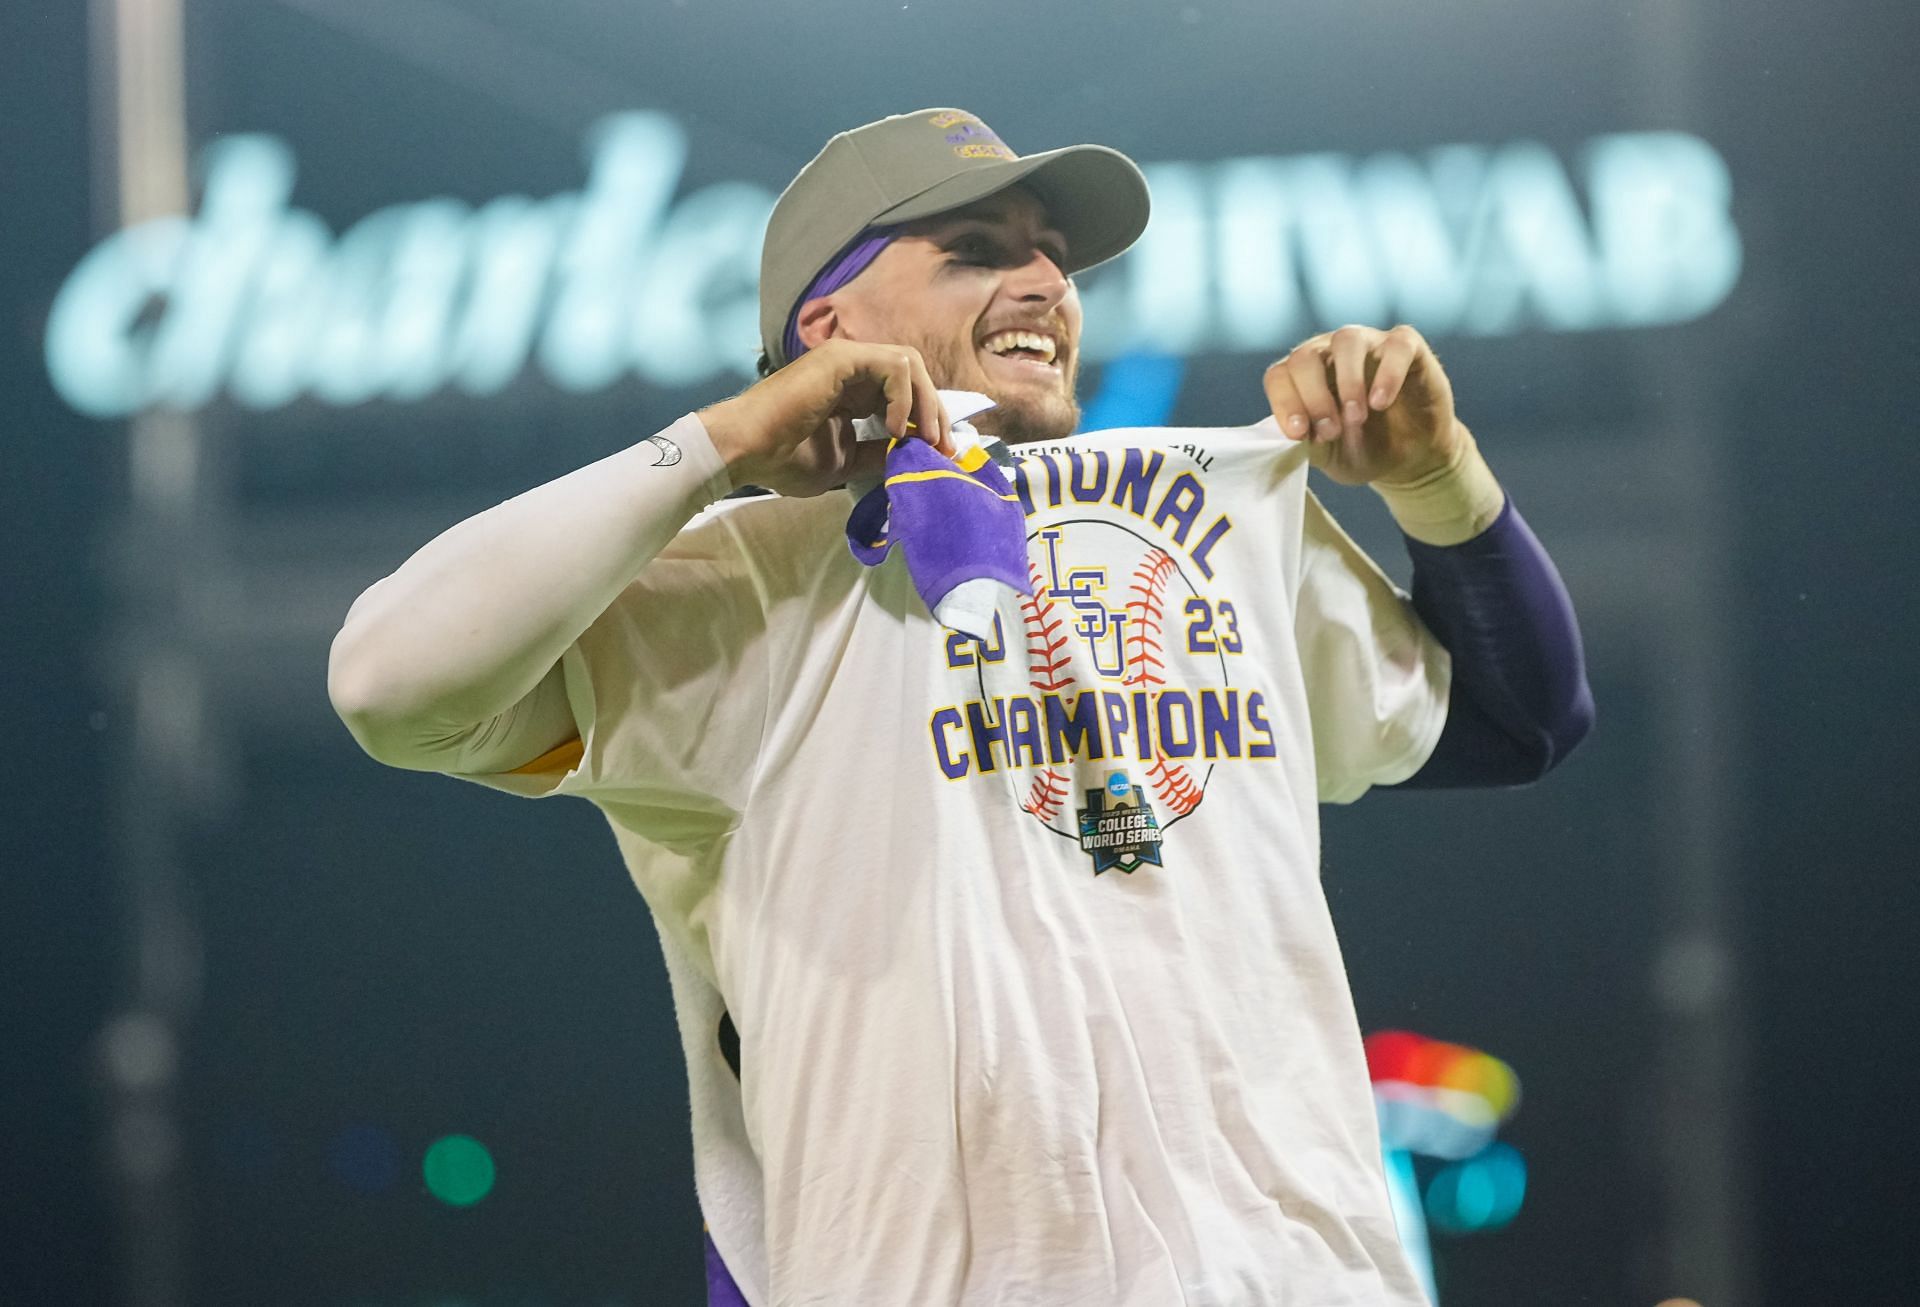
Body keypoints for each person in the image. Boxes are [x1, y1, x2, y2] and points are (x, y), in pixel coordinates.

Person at [328, 108, 1592, 1307]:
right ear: (829, 321)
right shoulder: (733, 586)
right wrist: (720, 441)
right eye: (978, 254)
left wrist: (1436, 479)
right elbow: (391, 687)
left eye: (1052, 254)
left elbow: (1519, 722)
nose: (1047, 282)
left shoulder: (1206, 518)